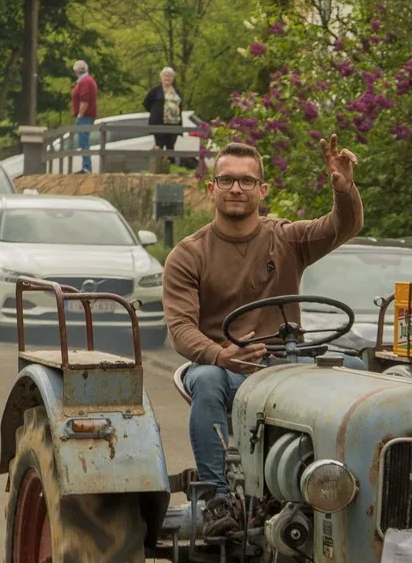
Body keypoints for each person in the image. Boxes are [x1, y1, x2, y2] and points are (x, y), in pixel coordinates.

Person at [162, 136, 363, 535]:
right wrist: (219, 355)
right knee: (205, 380)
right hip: (228, 367)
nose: (236, 188)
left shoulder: (287, 238)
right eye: (226, 180)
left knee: (354, 369)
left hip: (289, 364)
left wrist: (344, 191)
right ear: (211, 188)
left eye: (246, 181)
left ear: (262, 190)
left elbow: (343, 225)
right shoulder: (188, 254)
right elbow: (181, 328)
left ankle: (345, 487)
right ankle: (216, 500)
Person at [143, 67, 183, 161]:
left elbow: (180, 105)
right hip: (159, 123)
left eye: (169, 76)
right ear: (161, 77)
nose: (167, 78)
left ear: (172, 78)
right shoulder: (155, 90)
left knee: (170, 147)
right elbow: (146, 103)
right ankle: (159, 168)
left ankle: (171, 168)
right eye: (165, 76)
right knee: (159, 147)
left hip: (174, 124)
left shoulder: (176, 91)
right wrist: (156, 112)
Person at [70, 60, 98, 174]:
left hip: (85, 116)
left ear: (76, 71)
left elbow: (84, 100)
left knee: (83, 141)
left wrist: (80, 115)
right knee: (83, 141)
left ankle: (87, 167)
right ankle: (86, 166)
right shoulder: (88, 80)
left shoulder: (84, 82)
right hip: (88, 115)